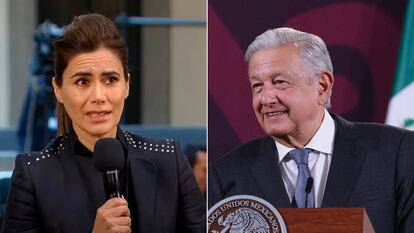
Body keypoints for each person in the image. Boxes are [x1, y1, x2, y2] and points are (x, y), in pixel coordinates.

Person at [1, 13, 205, 233]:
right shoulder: (33, 174)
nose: (98, 96)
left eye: (110, 80)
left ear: (127, 84)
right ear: (58, 89)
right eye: (82, 81)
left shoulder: (169, 160)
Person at [208, 27, 414, 233]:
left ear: (322, 86)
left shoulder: (397, 153)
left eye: (279, 82)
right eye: (257, 86)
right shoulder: (225, 176)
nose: (266, 98)